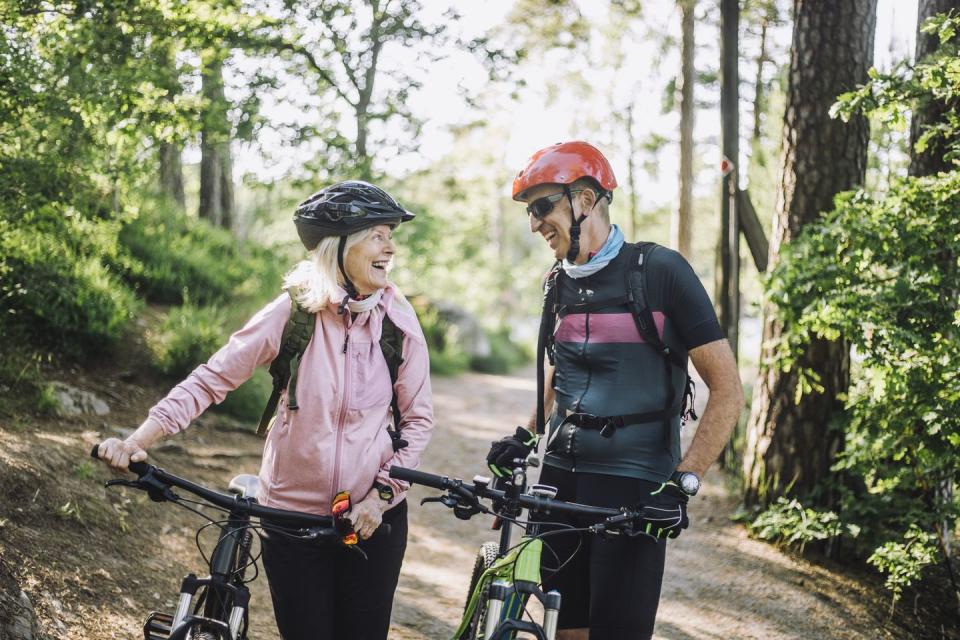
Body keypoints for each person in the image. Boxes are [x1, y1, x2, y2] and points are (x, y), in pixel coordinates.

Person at [95, 180, 434, 640]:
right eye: (378, 234)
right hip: (291, 519)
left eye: (391, 236)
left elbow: (417, 420)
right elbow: (212, 378)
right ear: (341, 247)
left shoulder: (398, 319)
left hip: (373, 522)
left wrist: (381, 496)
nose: (390, 247)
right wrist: (136, 441)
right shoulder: (291, 314)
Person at [487, 141, 743, 640]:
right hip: (560, 482)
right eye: (530, 212)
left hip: (635, 489)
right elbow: (562, 375)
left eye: (542, 207)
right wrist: (525, 434)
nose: (535, 223)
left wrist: (684, 481)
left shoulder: (661, 273)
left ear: (584, 200)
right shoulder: (556, 283)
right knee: (566, 628)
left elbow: (728, 390)